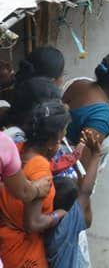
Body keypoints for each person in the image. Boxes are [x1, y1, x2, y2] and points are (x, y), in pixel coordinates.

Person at [0, 101, 68, 268]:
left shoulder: (15, 148)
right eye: (61, 138)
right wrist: (59, 214)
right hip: (23, 251)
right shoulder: (40, 169)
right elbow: (33, 224)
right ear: (52, 142)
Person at [62, 50, 109, 171]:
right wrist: (102, 121)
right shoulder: (102, 115)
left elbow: (75, 124)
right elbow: (81, 171)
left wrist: (106, 127)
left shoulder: (78, 82)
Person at [45, 130, 104, 268]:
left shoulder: (40, 219)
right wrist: (96, 155)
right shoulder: (68, 225)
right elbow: (86, 192)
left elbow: (83, 193)